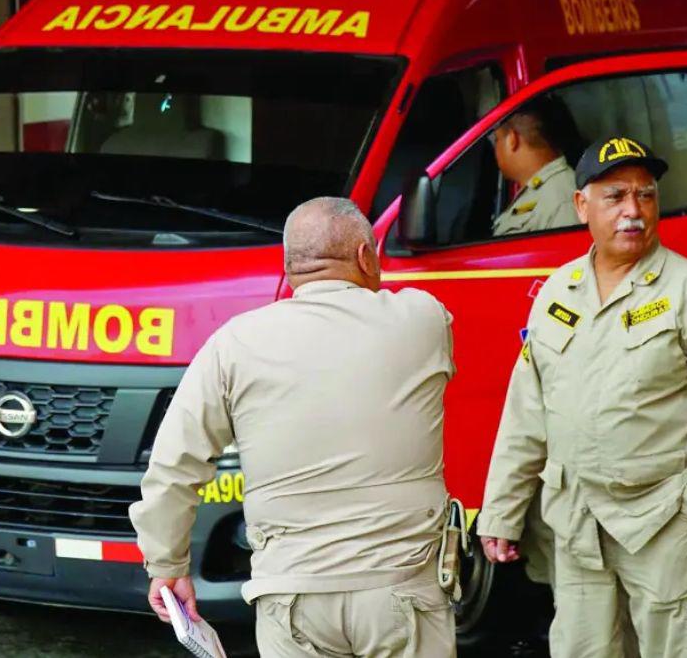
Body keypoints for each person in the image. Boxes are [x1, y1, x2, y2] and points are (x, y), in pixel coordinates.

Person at [130, 196, 457, 657]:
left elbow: (172, 465)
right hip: (399, 590)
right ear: (366, 257)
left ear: (291, 265)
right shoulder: (422, 319)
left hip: (292, 596)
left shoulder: (234, 342)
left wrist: (168, 564)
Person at [476, 135, 687, 657]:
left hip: (665, 523)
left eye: (646, 195)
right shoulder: (557, 293)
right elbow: (526, 413)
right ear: (582, 204)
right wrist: (500, 511)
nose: (634, 210)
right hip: (578, 523)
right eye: (615, 196)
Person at [491, 97, 579, 237]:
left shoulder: (562, 199)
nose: (495, 148)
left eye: (497, 139)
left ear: (512, 140)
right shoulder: (543, 190)